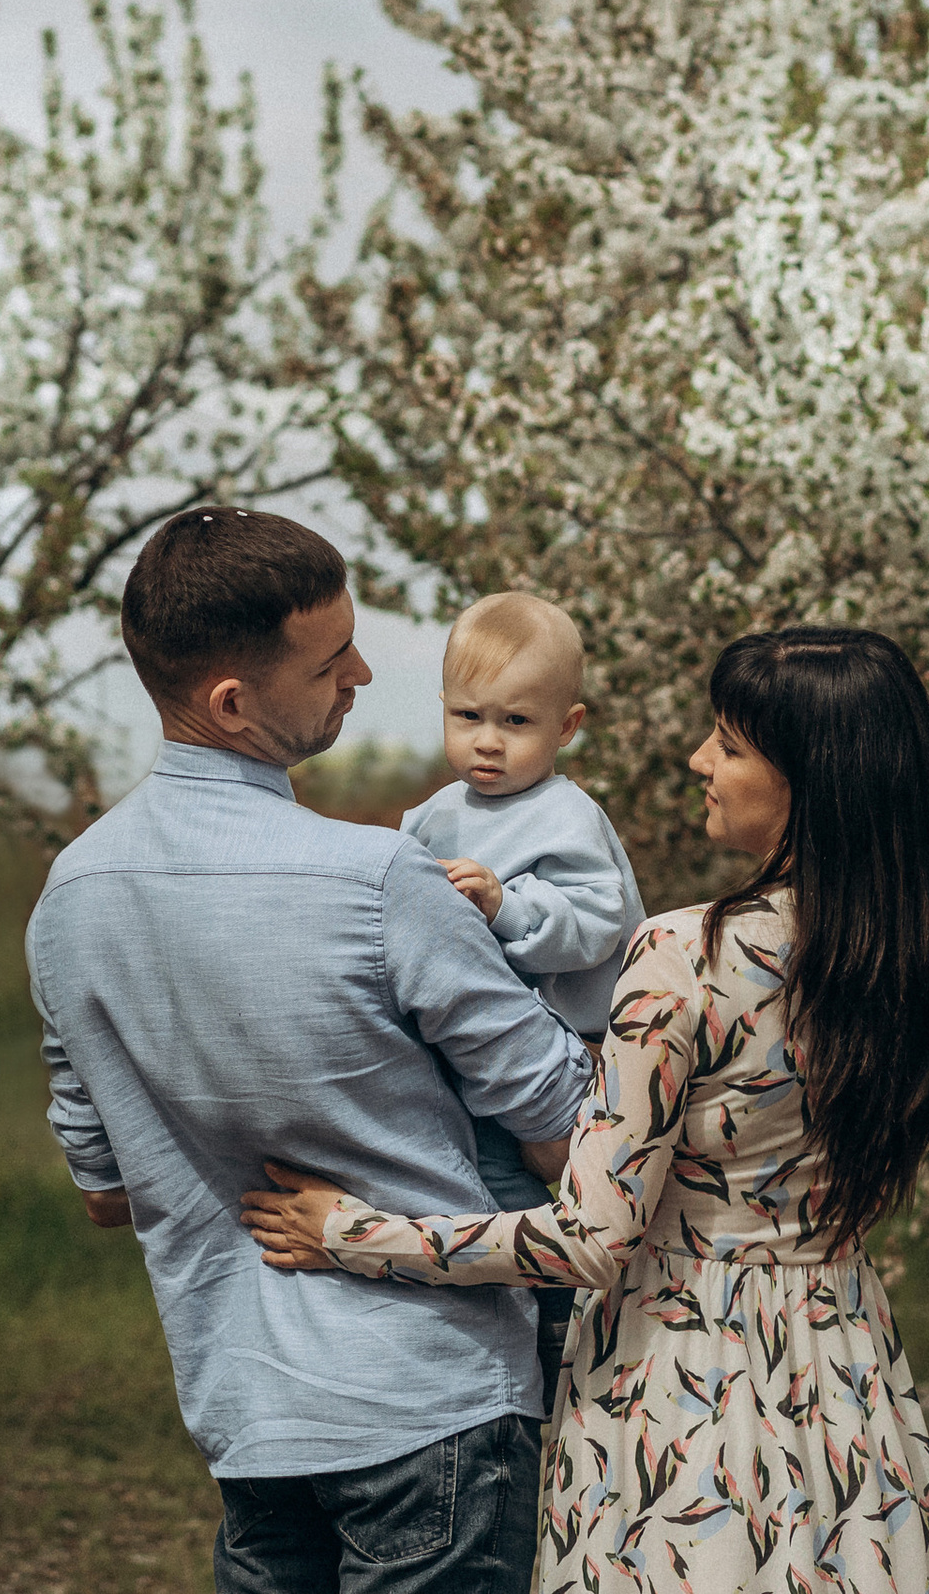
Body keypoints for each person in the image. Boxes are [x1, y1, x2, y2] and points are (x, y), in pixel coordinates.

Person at [242, 625, 929, 1594]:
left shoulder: (684, 955)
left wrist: (354, 1231)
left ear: (811, 775)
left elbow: (589, 1237)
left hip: (682, 1385)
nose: (698, 760)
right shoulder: (924, 958)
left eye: (727, 741)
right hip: (844, 1370)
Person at [29, 509, 594, 1593]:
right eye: (332, 659)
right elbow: (565, 1133)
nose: (364, 672)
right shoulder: (378, 882)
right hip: (437, 1405)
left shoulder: (69, 900)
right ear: (232, 702)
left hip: (247, 1413)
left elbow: (106, 1193)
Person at [398, 591, 644, 1407]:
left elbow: (597, 925)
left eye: (516, 722)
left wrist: (508, 906)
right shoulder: (430, 819)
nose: (488, 743)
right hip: (471, 1060)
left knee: (537, 1208)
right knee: (466, 1185)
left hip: (568, 1053)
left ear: (567, 728)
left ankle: (551, 1338)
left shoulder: (567, 816)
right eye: (469, 716)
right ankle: (477, 1332)